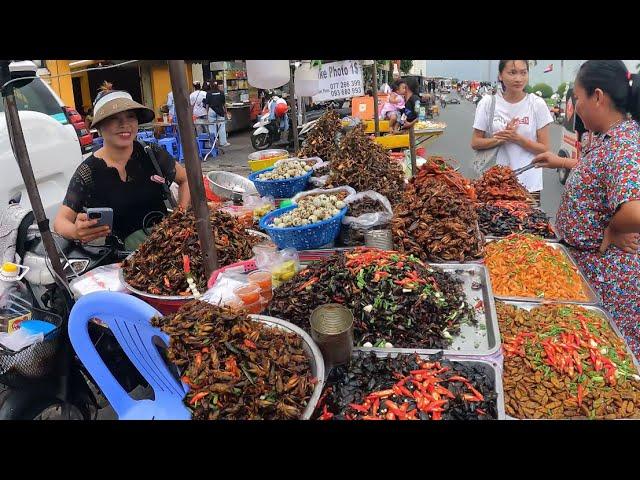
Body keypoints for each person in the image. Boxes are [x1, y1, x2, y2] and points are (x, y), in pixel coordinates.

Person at [531, 60, 640, 357]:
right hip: (589, 271)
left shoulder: (624, 142)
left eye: (578, 98)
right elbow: (602, 175)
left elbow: (635, 211)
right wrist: (562, 162)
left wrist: (613, 228)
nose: (575, 106)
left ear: (598, 97)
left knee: (609, 361)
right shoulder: (609, 138)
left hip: (608, 280)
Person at [53, 83, 190, 250]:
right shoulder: (88, 171)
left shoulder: (151, 153)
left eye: (130, 116)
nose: (125, 124)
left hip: (168, 249)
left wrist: (180, 215)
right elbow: (60, 222)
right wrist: (76, 231)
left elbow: (185, 180)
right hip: (121, 261)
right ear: (100, 127)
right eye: (114, 118)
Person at [470, 60, 553, 205]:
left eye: (523, 73)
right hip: (495, 183)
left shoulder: (537, 104)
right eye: (512, 73)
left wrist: (517, 138)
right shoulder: (488, 103)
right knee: (496, 224)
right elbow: (475, 142)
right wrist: (501, 139)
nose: (518, 78)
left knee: (528, 226)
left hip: (529, 183)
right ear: (500, 75)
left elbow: (545, 148)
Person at [204, 81, 231, 147]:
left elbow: (207, 104)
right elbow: (224, 104)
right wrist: (226, 111)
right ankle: (223, 142)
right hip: (220, 111)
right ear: (217, 86)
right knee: (221, 127)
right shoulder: (221, 93)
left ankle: (213, 143)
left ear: (211, 86)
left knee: (212, 127)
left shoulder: (208, 93)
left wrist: (206, 113)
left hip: (211, 111)